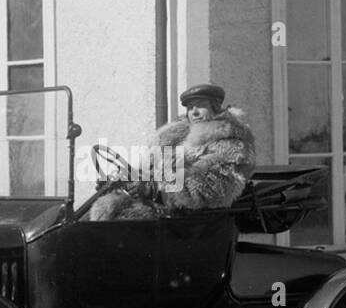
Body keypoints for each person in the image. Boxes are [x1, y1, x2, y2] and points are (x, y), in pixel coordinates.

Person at [90, 84, 256, 221]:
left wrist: (155, 188)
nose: (194, 112)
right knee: (101, 210)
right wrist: (128, 180)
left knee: (114, 226)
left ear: (215, 107)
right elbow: (150, 171)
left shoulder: (231, 141)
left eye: (201, 106)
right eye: (190, 107)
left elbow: (212, 187)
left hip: (192, 220)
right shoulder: (175, 137)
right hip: (164, 210)